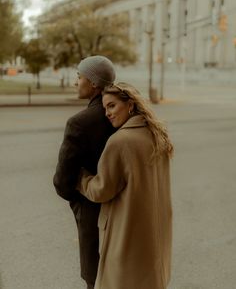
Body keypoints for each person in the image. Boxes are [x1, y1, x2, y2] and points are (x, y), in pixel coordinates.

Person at [77, 82, 174, 289]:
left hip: (127, 236)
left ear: (130, 105)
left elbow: (101, 190)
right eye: (105, 108)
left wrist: (80, 179)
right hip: (155, 235)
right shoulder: (158, 136)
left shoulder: (120, 141)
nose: (107, 113)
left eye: (112, 106)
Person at [53, 55, 116, 289]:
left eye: (78, 77)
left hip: (91, 208)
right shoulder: (122, 114)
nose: (74, 82)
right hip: (121, 206)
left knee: (94, 275)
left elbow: (62, 182)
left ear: (93, 83)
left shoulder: (79, 123)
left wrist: (78, 201)